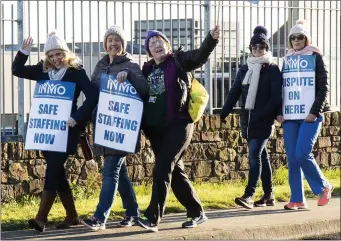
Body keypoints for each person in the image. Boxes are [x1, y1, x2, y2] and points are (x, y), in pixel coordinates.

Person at [135, 26, 220, 232]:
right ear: (148, 50)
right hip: (155, 130)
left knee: (162, 168)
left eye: (160, 41)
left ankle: (152, 217)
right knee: (175, 171)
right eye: (152, 43)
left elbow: (199, 56)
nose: (156, 44)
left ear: (167, 45)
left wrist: (211, 39)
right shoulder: (146, 69)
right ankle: (197, 211)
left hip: (179, 125)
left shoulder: (179, 61)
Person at [12, 30, 98, 232]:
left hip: (67, 129)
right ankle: (72, 216)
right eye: (51, 55)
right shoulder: (43, 71)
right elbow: (17, 70)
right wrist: (23, 52)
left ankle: (41, 218)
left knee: (53, 169)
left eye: (58, 54)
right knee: (57, 171)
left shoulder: (75, 71)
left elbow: (93, 95)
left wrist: (77, 117)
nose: (55, 59)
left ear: (65, 53)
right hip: (46, 130)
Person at [81, 25, 149, 231]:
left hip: (122, 129)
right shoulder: (100, 65)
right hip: (103, 126)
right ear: (105, 44)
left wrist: (128, 74)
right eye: (109, 40)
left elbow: (144, 90)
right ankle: (132, 212)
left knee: (110, 171)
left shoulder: (131, 65)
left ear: (123, 44)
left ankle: (100, 217)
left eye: (117, 40)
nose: (113, 44)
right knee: (120, 172)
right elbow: (93, 94)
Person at [220, 26, 282, 209]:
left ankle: (249, 194)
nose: (257, 50)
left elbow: (276, 97)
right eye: (254, 47)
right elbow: (234, 91)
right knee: (262, 157)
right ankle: (269, 195)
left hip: (263, 120)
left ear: (266, 49)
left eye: (261, 47)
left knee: (254, 155)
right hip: (247, 120)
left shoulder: (272, 69)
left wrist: (265, 114)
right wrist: (224, 111)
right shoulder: (245, 69)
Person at [276, 20, 333, 210]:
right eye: (293, 37)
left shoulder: (316, 57)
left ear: (306, 38)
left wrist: (314, 111)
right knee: (292, 157)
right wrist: (279, 112)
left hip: (311, 116)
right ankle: (297, 198)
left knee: (302, 153)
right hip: (291, 116)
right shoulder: (288, 59)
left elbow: (323, 87)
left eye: (300, 37)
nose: (296, 40)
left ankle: (324, 186)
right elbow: (283, 87)